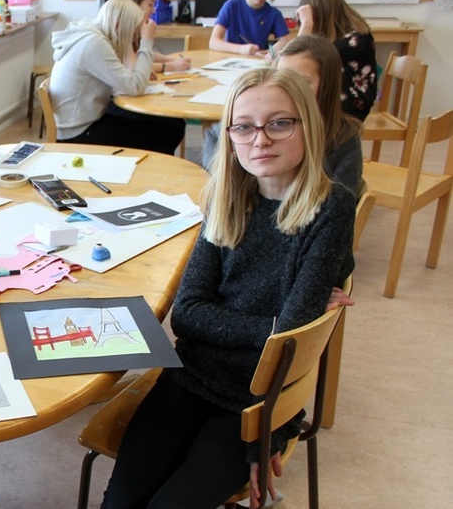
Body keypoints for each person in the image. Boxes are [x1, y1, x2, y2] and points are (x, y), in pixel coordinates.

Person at [101, 68, 355, 509]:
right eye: (244, 126)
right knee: (119, 504)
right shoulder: (225, 198)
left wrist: (270, 430)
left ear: (307, 126)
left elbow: (288, 344)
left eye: (279, 122)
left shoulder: (330, 207)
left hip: (259, 403)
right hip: (190, 377)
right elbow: (188, 314)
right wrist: (273, 325)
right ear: (231, 135)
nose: (260, 140)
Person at [204, 35, 364, 198]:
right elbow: (214, 135)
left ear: (326, 88)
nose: (287, 90)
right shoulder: (256, 124)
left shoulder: (344, 138)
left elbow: (343, 200)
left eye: (301, 82)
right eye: (280, 79)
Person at [49, 0, 185, 154]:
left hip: (84, 121)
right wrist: (147, 41)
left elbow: (126, 80)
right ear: (119, 25)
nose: (133, 38)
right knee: (167, 130)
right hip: (78, 134)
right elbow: (135, 87)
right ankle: (152, 174)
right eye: (132, 33)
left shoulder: (91, 36)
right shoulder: (93, 44)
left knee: (172, 122)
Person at [296, 0, 378, 121]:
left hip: (351, 108)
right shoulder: (339, 38)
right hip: (337, 101)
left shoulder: (357, 39)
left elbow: (297, 59)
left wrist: (306, 24)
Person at [119, 0, 192, 74]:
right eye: (150, 5)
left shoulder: (135, 28)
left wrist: (172, 59)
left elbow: (143, 54)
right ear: (134, 3)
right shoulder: (121, 29)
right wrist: (170, 66)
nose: (154, 10)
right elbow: (133, 67)